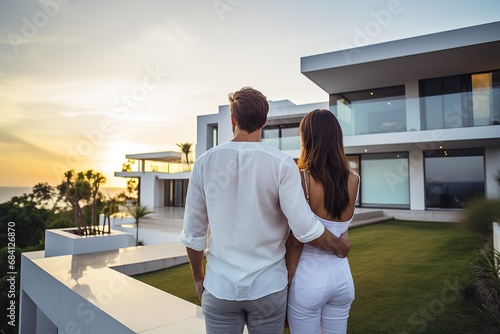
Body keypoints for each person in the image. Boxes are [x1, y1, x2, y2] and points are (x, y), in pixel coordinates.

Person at [180, 87, 351, 334]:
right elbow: (304, 227)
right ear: (264, 121)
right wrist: (339, 246)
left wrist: (198, 277)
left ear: (233, 119)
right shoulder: (282, 164)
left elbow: (194, 235)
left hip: (220, 289)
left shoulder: (204, 163)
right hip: (268, 289)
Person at [286, 109, 360, 334]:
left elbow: (296, 241)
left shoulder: (303, 179)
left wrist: (287, 284)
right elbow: (340, 229)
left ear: (307, 138)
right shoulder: (354, 179)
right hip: (343, 278)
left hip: (308, 280)